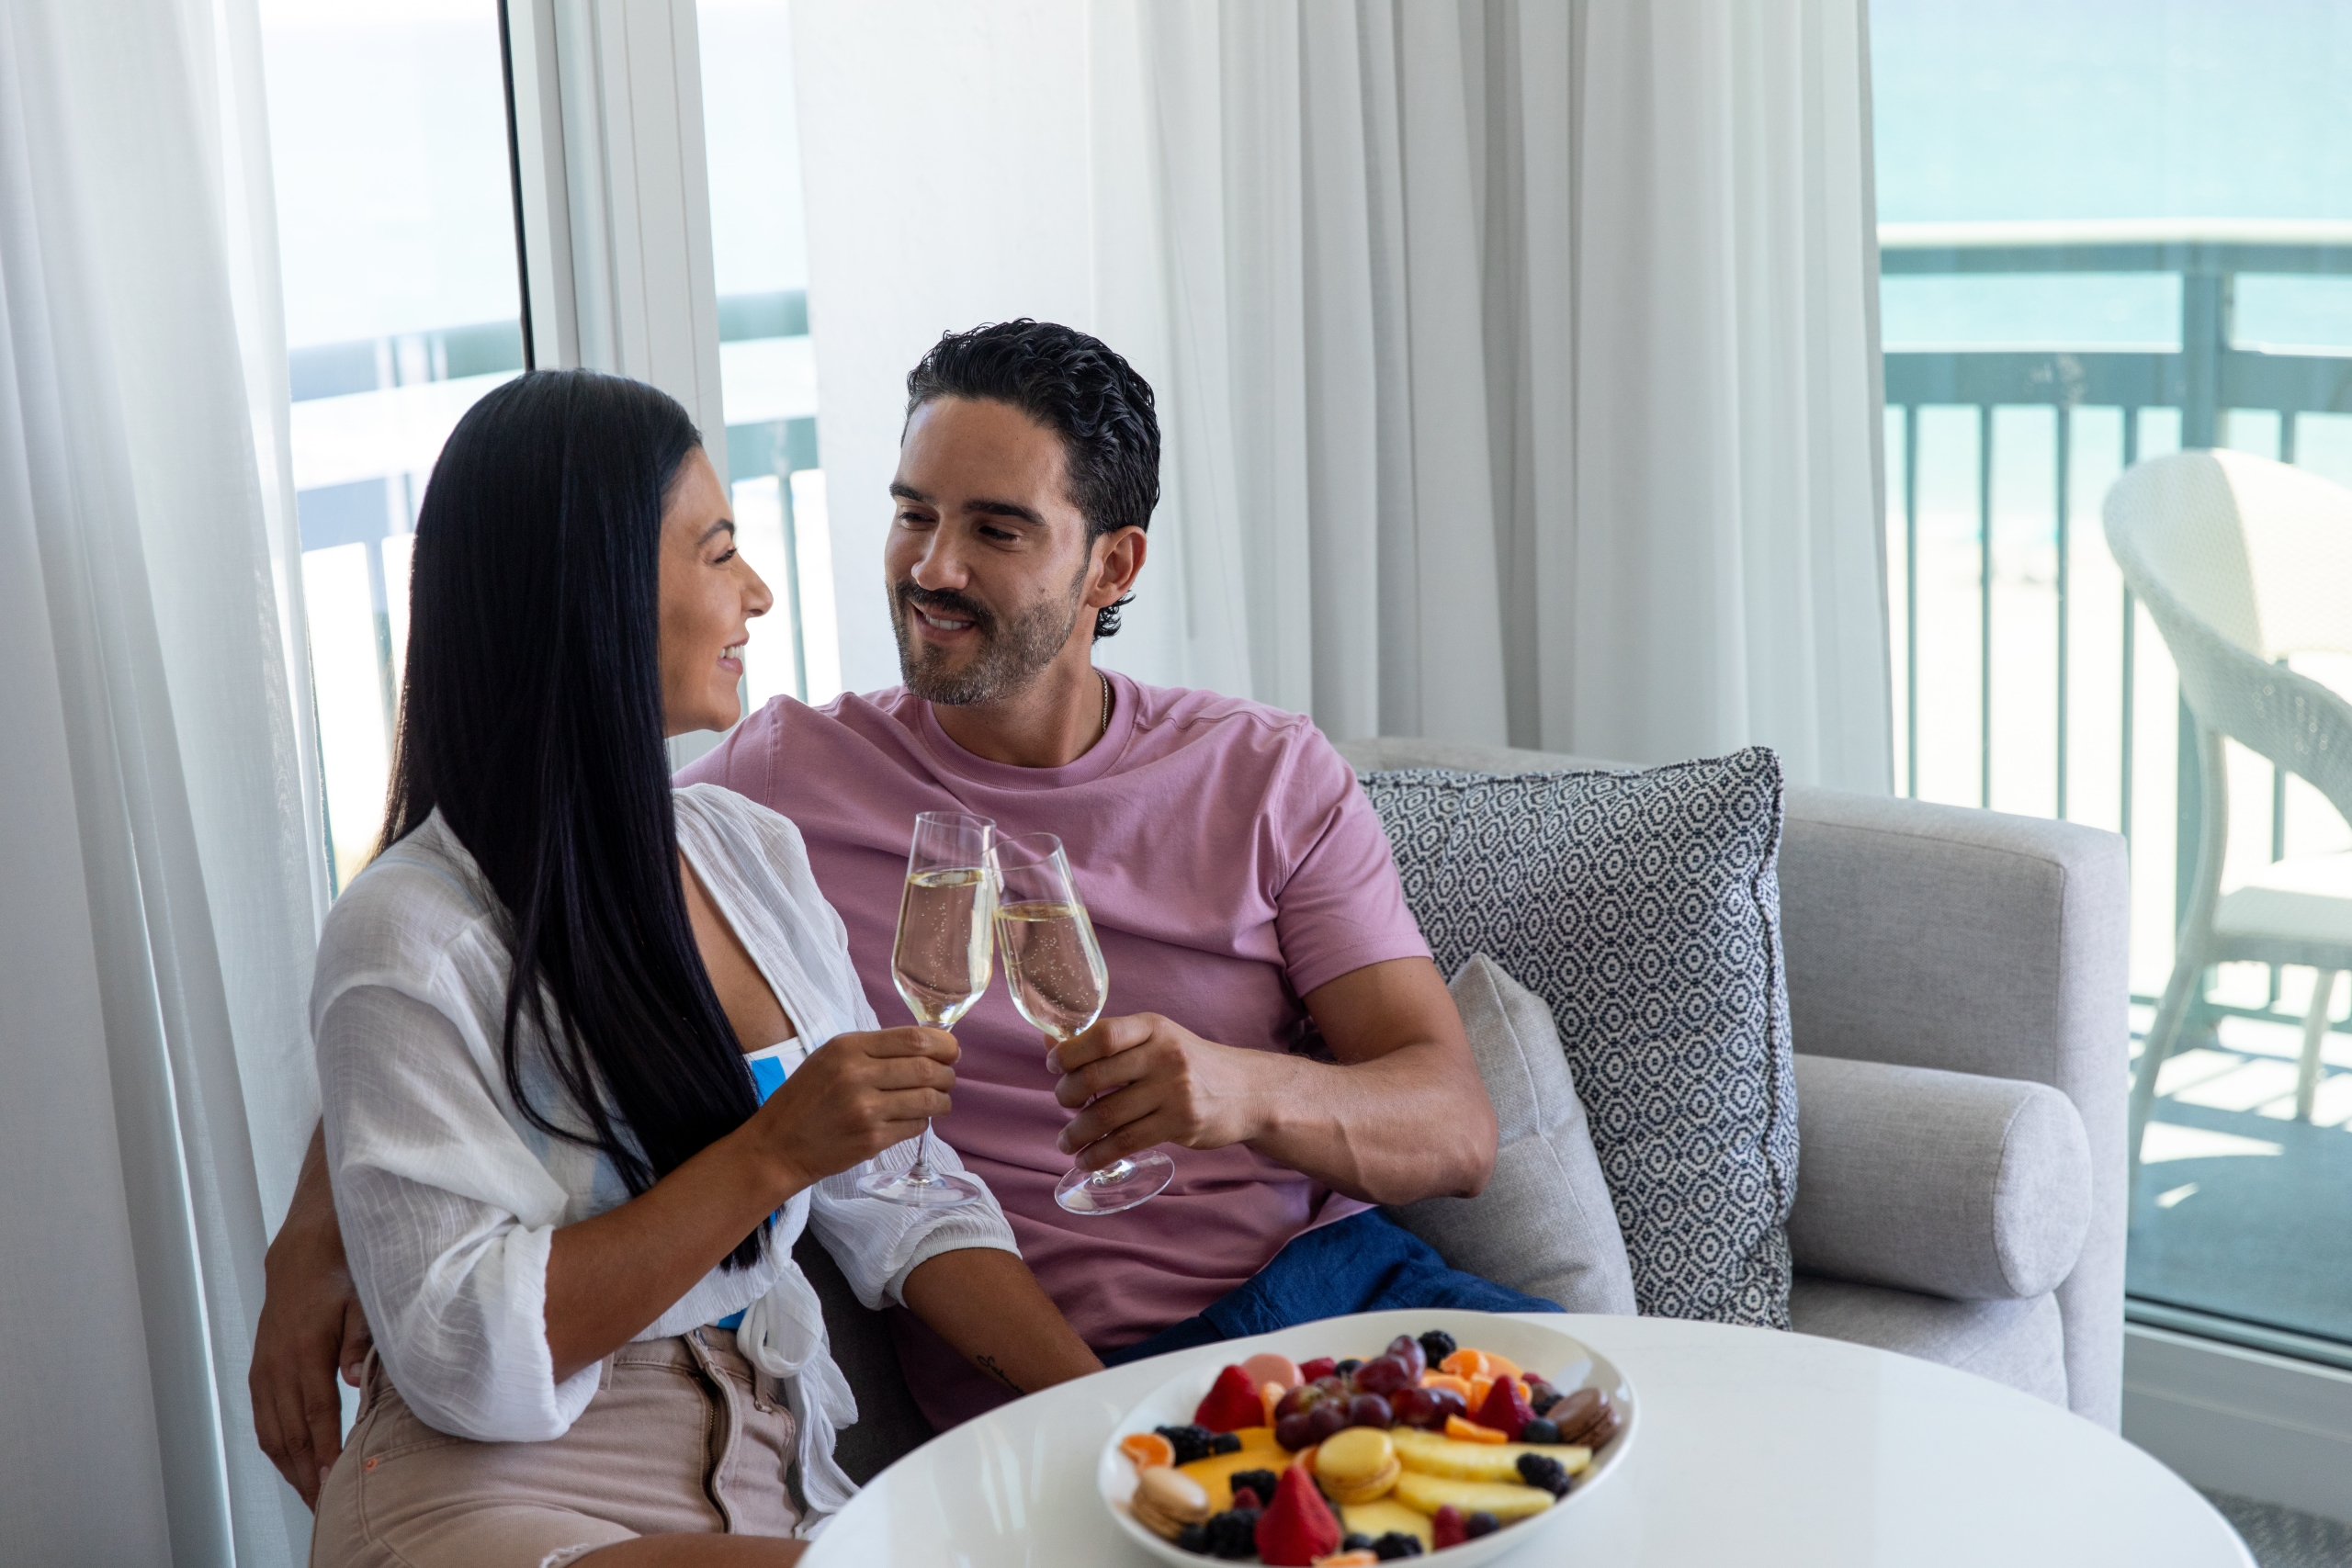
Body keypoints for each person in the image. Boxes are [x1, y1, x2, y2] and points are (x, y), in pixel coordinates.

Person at [295, 368, 1098, 1565]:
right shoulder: (408, 932)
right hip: (500, 1496)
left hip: (759, 1468)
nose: (758, 593)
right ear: (596, 589)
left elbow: (903, 1198)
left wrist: (1123, 1423)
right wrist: (771, 1154)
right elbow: (461, 1347)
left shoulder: (745, 852)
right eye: (719, 553)